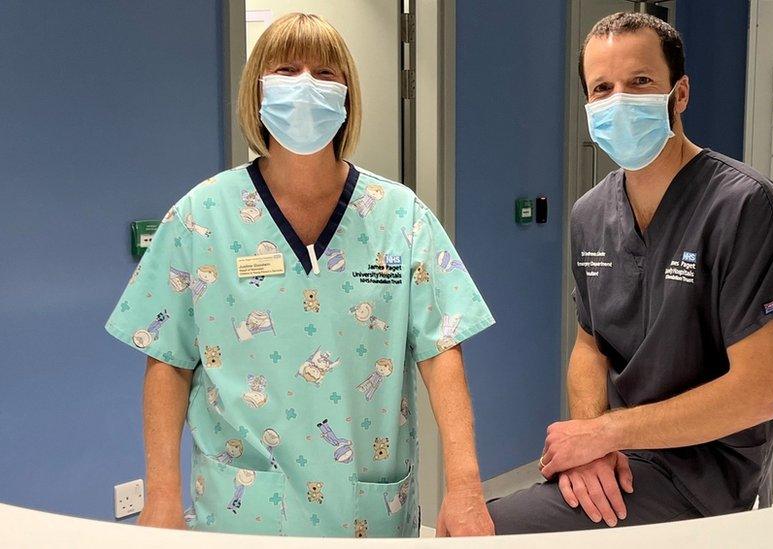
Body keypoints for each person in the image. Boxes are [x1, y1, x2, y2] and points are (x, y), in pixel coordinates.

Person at [105, 13, 496, 538]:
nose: (306, 85)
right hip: (244, 514)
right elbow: (168, 362)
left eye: (326, 73)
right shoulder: (202, 217)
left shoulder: (399, 217)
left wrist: (466, 484)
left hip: (368, 511)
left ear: (348, 96)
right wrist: (161, 497)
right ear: (257, 92)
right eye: (286, 70)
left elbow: (442, 351)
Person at [487, 12, 773, 533]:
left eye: (639, 83)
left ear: (679, 94)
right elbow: (591, 345)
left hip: (707, 474)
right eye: (601, 89)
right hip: (625, 455)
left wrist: (608, 433)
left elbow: (760, 391)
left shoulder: (746, 206)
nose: (618, 101)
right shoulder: (590, 213)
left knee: (479, 531)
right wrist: (591, 439)